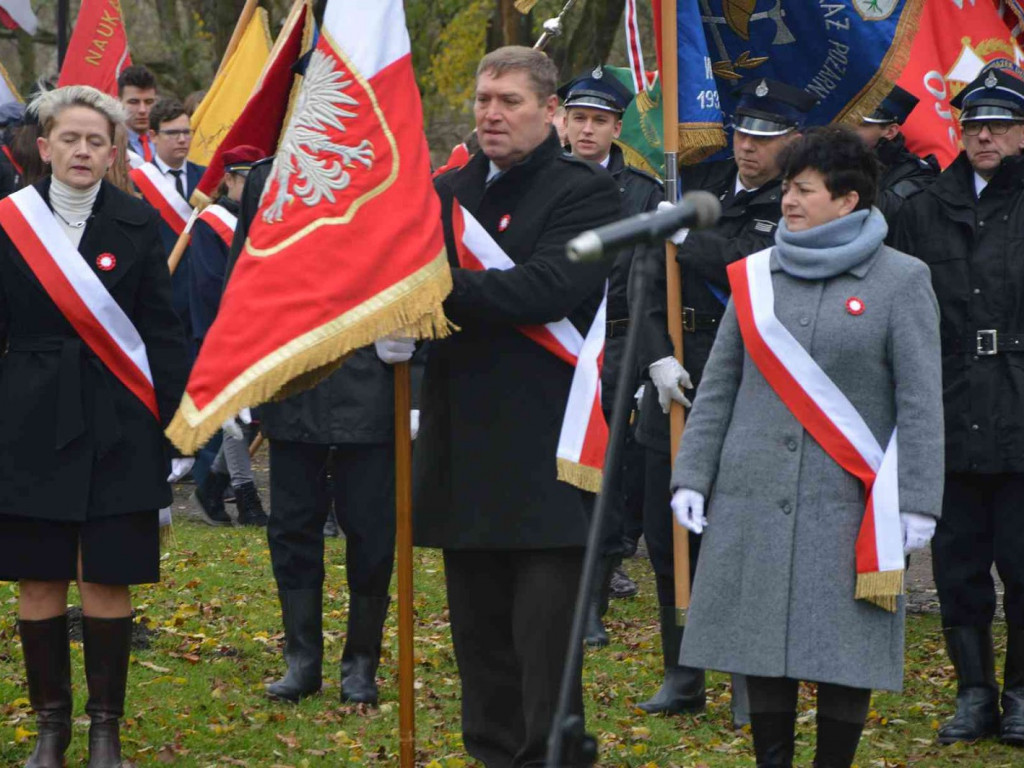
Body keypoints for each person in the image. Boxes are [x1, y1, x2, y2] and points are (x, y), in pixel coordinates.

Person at [671, 125, 943, 768]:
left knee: (844, 647)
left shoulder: (902, 280)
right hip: (753, 490)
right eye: (787, 188)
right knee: (760, 640)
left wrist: (919, 502)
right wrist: (692, 475)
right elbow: (720, 386)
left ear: (847, 200)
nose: (788, 200)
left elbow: (922, 399)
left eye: (803, 189)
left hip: (849, 500)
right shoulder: (754, 276)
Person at [413, 46, 620, 767]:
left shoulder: (583, 192)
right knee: (479, 645)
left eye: (510, 101)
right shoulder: (448, 188)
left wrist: (434, 298)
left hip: (546, 453)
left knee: (544, 651)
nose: (491, 114)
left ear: (551, 111)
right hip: (463, 442)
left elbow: (545, 290)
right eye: (482, 100)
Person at [0, 85, 188, 768]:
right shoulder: (7, 222)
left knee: (108, 575)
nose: (82, 151)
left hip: (120, 420)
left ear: (115, 152)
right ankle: (51, 731)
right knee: (40, 577)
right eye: (69, 139)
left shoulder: (139, 224)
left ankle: (104, 731)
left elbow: (165, 336)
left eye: (96, 141)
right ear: (43, 148)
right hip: (26, 419)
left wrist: (167, 426)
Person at [633, 77, 814, 722]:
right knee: (668, 536)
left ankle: (748, 679)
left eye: (764, 138)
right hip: (675, 380)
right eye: (741, 134)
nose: (748, 149)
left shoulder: (796, 203)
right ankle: (682, 673)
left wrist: (687, 239)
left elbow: (755, 266)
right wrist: (656, 353)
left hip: (747, 382)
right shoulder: (695, 189)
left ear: (794, 141)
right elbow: (647, 283)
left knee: (739, 536)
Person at [226, 157, 414, 706]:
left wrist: (416, 372)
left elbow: (420, 270)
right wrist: (240, 371)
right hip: (296, 379)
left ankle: (361, 664)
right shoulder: (269, 174)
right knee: (291, 528)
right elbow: (247, 277)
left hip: (374, 377)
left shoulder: (392, 156)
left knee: (372, 531)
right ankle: (302, 660)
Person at [889, 60, 1024, 748]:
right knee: (959, 563)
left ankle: (1022, 694)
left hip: (1021, 402)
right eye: (975, 125)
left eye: (1000, 125)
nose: (986, 137)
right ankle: (974, 693)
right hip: (947, 402)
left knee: (1023, 561)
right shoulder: (921, 208)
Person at [559, 65, 659, 647]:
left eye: (599, 121)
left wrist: (648, 362)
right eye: (579, 119)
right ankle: (559, 593)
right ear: (562, 122)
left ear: (617, 127)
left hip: (615, 348)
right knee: (555, 477)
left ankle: (594, 603)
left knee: (609, 478)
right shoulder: (541, 178)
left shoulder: (645, 193)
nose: (588, 130)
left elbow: (650, 280)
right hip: (551, 343)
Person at [189, 144, 267, 527]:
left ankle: (210, 488)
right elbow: (209, 284)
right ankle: (247, 497)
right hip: (225, 328)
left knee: (253, 417)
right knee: (237, 415)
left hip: (261, 329)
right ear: (231, 179)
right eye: (249, 180)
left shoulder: (263, 220)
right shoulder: (211, 222)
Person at [854, 84, 938, 220]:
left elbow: (879, 214)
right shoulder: (821, 149)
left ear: (890, 131)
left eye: (859, 123)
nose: (846, 127)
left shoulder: (917, 174)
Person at [117, 65, 157, 164]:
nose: (142, 110)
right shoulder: (111, 144)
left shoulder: (168, 140)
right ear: (119, 102)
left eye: (148, 102)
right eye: (134, 102)